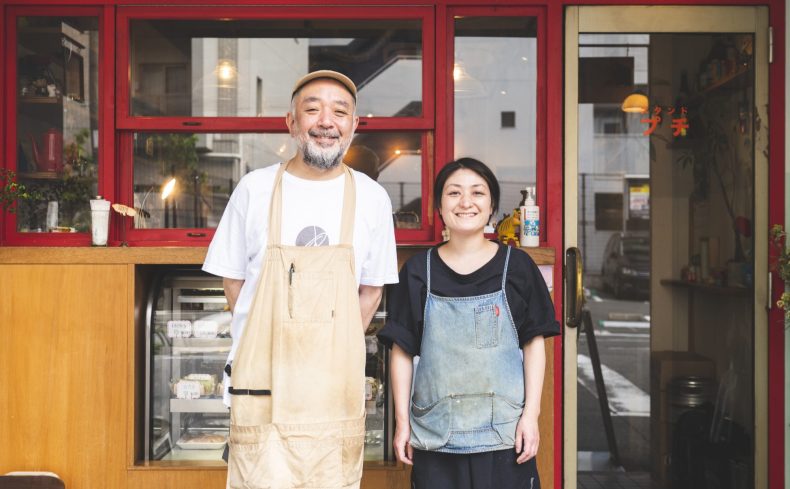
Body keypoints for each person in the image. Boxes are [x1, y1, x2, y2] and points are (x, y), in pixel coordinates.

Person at [203, 70, 399, 489]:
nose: (326, 121)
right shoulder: (254, 189)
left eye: (339, 111)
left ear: (353, 126)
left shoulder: (371, 198)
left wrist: (326, 344)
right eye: (312, 109)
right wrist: (272, 338)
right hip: (262, 389)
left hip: (334, 393)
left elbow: (371, 291)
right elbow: (234, 283)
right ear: (291, 122)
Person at [378, 157, 559, 489]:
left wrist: (530, 416)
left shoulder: (516, 266)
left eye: (477, 193)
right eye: (453, 193)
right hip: (435, 437)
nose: (465, 202)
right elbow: (401, 353)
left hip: (504, 437)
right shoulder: (419, 271)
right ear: (439, 206)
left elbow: (534, 345)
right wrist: (402, 423)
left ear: (491, 206)